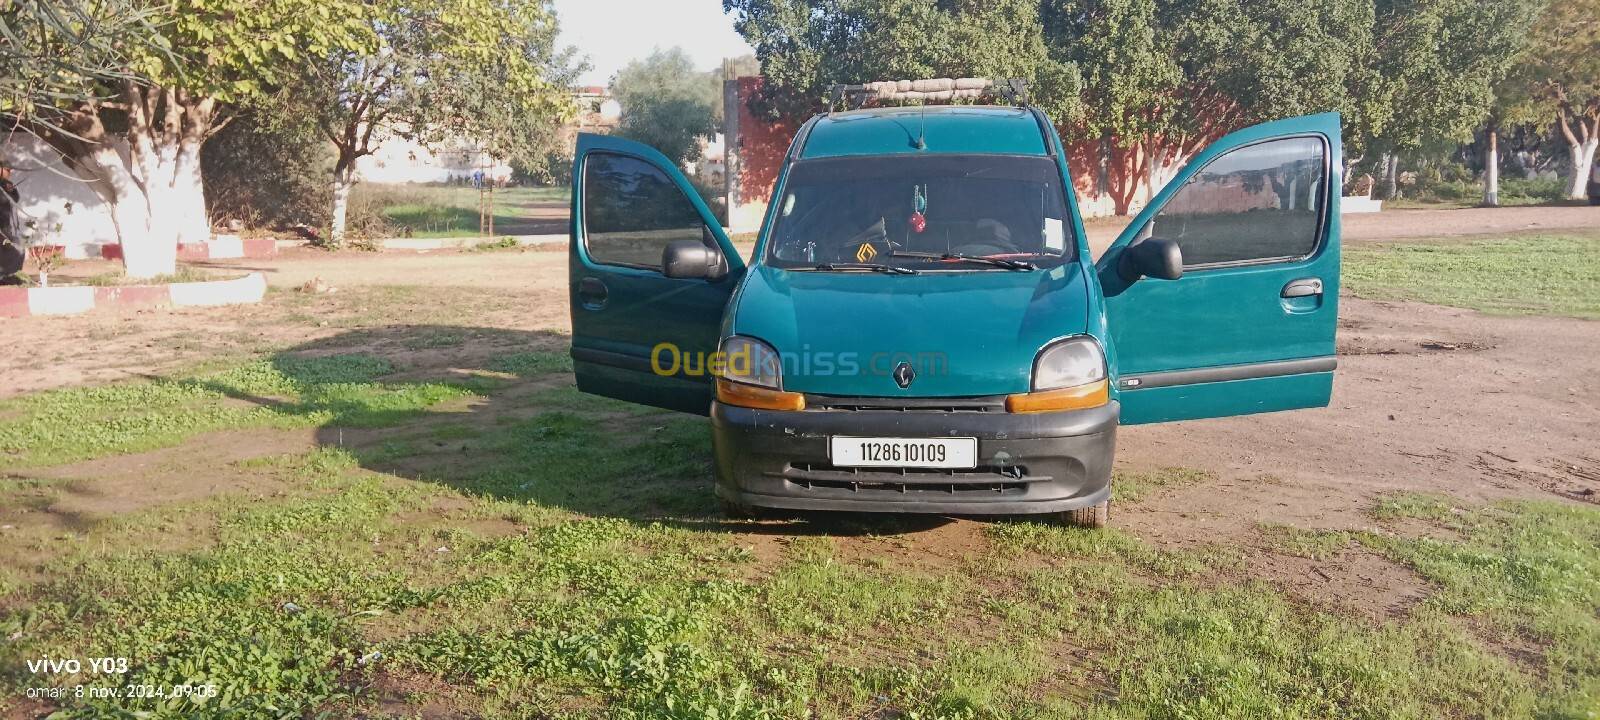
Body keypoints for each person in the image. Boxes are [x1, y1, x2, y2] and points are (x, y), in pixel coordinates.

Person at [0, 162, 24, 286]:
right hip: (4, 227)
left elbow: (15, 199)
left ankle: (11, 276)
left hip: (9, 227)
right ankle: (6, 277)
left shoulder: (6, 185)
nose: (10, 173)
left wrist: (11, 191)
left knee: (16, 250)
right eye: (7, 170)